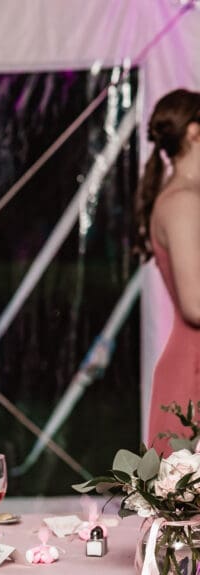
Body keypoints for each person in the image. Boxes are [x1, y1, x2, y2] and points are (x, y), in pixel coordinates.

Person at [138, 89, 200, 455]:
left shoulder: (186, 196)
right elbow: (195, 304)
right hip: (193, 374)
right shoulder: (182, 202)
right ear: (194, 132)